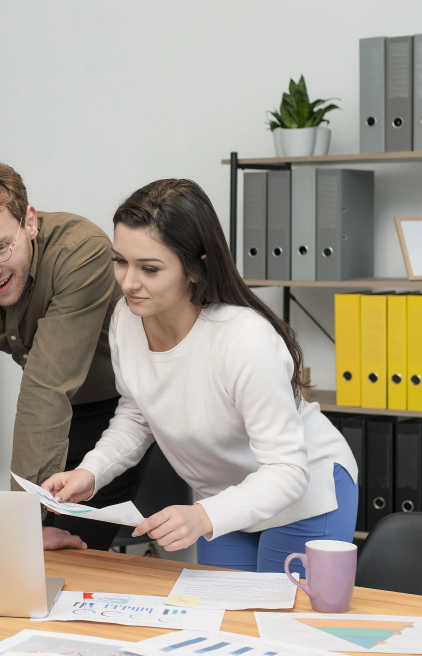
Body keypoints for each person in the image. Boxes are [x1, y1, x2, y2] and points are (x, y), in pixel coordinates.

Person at [42, 179, 358, 575]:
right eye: (120, 260)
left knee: (281, 623)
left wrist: (203, 517)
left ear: (197, 267)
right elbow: (138, 412)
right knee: (224, 619)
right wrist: (91, 471)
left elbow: (287, 470)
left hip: (304, 494)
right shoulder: (127, 317)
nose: (127, 282)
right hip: (223, 500)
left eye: (150, 268)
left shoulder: (245, 340)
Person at [0, 151, 151, 552]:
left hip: (126, 412)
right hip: (56, 416)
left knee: (66, 554)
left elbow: (46, 389)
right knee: (34, 555)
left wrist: (17, 528)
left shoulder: (80, 252)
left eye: (0, 248)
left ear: (30, 222)